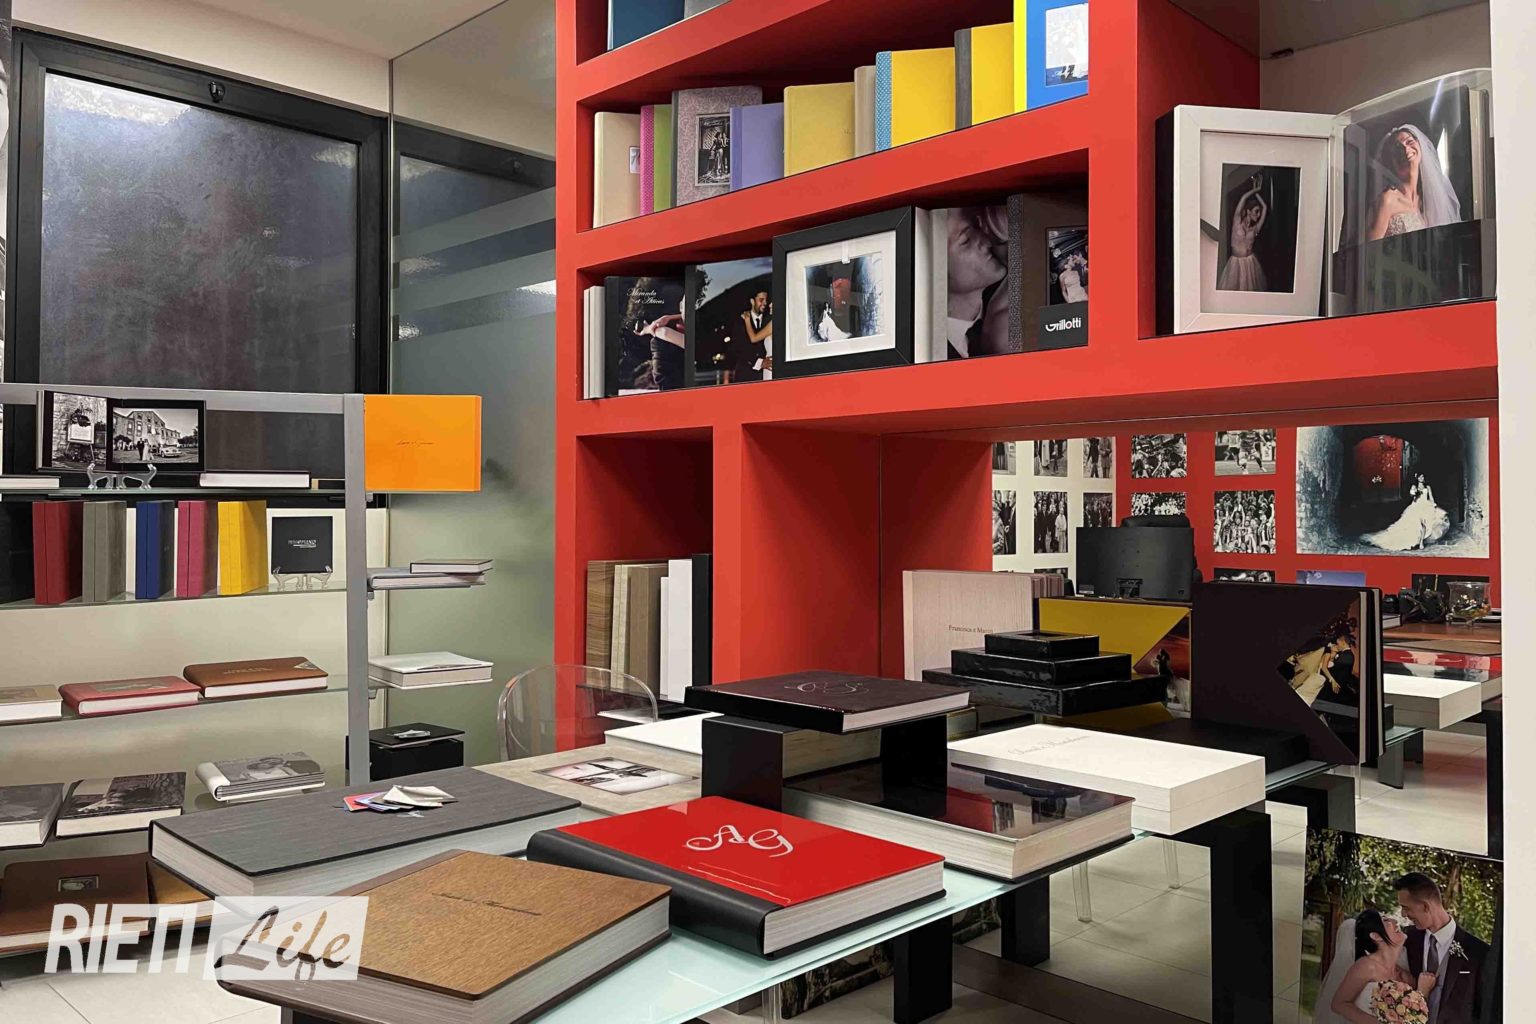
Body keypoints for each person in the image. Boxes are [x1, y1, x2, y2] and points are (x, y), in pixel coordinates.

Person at [1395, 872, 1490, 1024]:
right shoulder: (1407, 939)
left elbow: (1484, 1010)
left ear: (1426, 906)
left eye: (1406, 908)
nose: (1403, 914)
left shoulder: (1478, 952)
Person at [1317, 909, 1434, 1024]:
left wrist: (1423, 992)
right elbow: (1338, 1004)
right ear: (1376, 936)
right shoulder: (1366, 966)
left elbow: (1413, 1016)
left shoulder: (1405, 974)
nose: (1394, 921)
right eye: (1385, 920)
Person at [1367, 125, 1462, 241]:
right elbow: (1370, 249)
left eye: (1409, 142)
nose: (1406, 149)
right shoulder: (1388, 200)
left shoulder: (1428, 201)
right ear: (1392, 162)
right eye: (1398, 148)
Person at [944, 207, 1009, 358]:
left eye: (977, 227)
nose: (987, 240)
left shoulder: (1007, 301)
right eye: (966, 241)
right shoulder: (925, 351)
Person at [1363, 472, 1451, 551]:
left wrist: (1434, 505)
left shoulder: (1427, 487)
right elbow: (1413, 498)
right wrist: (1414, 493)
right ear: (1417, 478)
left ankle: (1421, 542)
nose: (1422, 478)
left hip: (1426, 506)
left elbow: (1431, 498)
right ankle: (1414, 540)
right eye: (1420, 477)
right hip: (1416, 506)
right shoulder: (1414, 487)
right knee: (1416, 524)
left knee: (1425, 524)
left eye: (1423, 477)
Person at [1217, 173, 1269, 291]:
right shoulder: (1237, 221)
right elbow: (1243, 198)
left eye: (1259, 212)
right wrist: (1255, 190)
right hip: (1236, 263)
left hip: (1250, 263)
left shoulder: (1255, 228)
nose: (1258, 215)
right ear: (1248, 211)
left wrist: (1257, 193)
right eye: (1256, 211)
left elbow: (1265, 207)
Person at [735, 290, 772, 382]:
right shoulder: (740, 320)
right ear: (752, 301)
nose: (765, 303)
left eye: (766, 300)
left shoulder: (769, 320)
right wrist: (759, 362)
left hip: (765, 375)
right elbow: (737, 348)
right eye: (761, 300)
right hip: (745, 376)